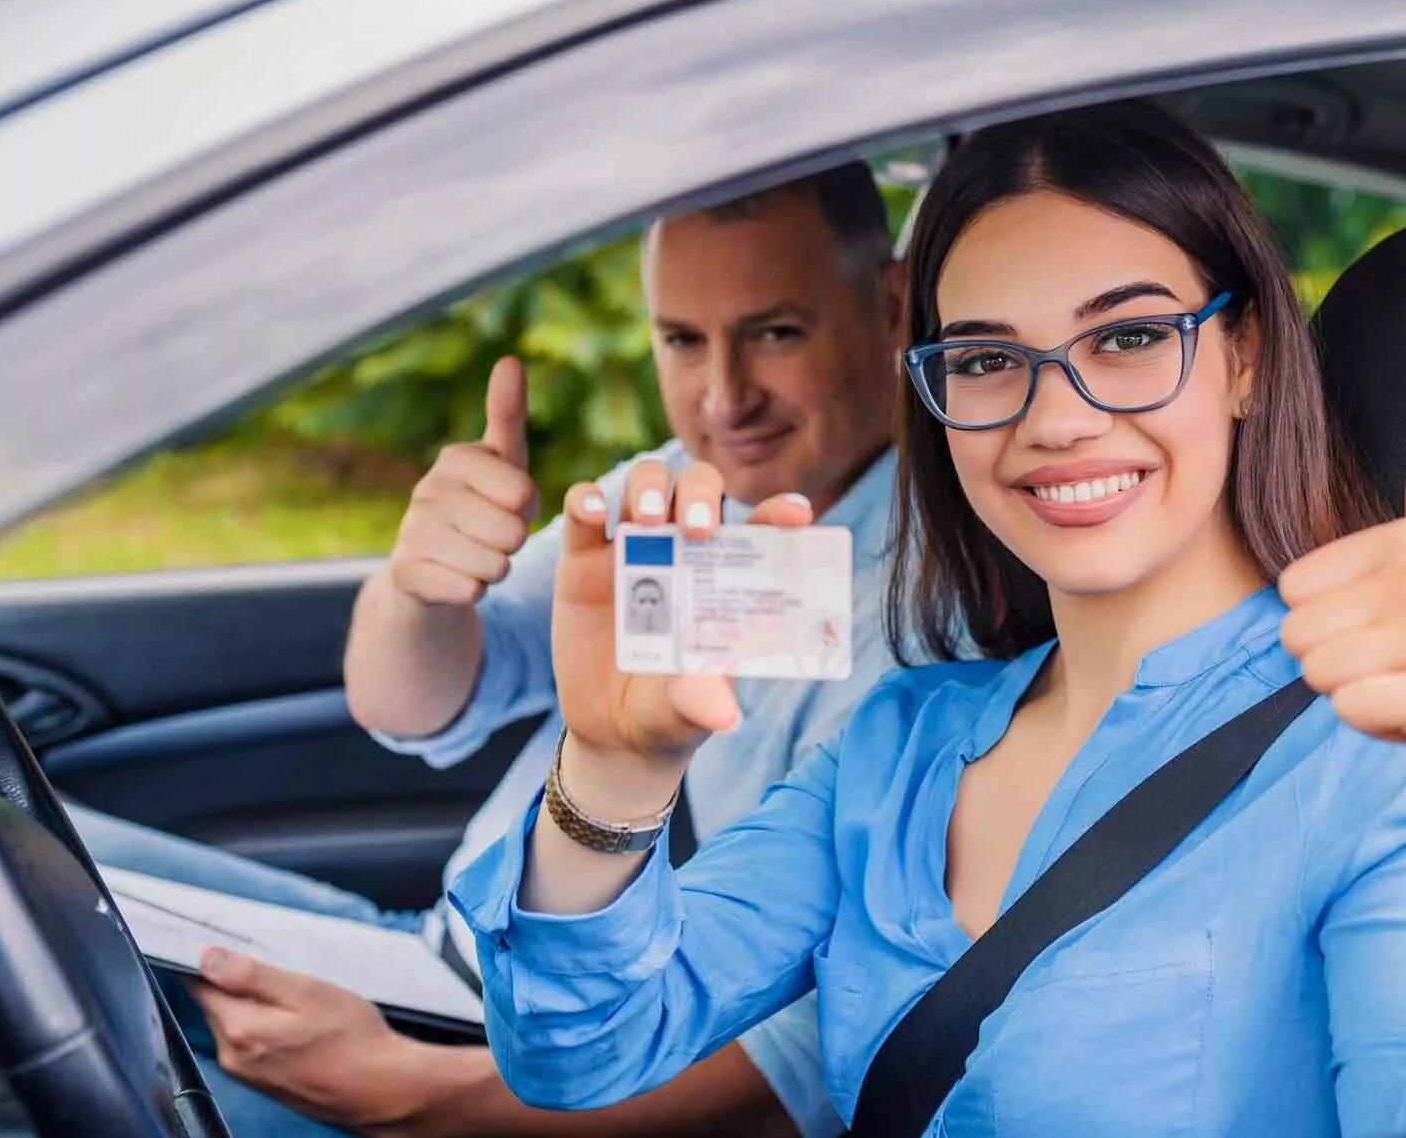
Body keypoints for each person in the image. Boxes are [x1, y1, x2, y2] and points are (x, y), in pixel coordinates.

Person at [451, 102, 1406, 1135]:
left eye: (1126, 337)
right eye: (983, 359)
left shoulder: (1381, 760)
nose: (1054, 417)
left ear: (1240, 354)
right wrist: (610, 770)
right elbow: (579, 1054)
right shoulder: (897, 742)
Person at [73, 162, 913, 1138]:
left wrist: (408, 1094)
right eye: (681, 340)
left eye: (775, 332)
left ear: (889, 306)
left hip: (520, 1085)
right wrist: (421, 588)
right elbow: (413, 701)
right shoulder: (684, 482)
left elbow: (802, 1061)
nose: (724, 397)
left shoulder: (930, 610)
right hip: (433, 964)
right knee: (37, 862)